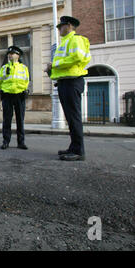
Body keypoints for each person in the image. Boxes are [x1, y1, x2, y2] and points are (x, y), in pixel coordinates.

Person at [44, 16, 91, 161]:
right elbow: (62, 65)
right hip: (65, 82)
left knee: (74, 117)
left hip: (72, 82)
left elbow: (78, 57)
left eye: (61, 26)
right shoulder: (64, 43)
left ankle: (78, 151)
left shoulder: (76, 39)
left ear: (69, 26)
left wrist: (55, 65)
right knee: (71, 118)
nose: (58, 29)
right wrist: (51, 70)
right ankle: (73, 147)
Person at [0, 46, 30, 150]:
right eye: (9, 53)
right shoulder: (4, 67)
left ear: (18, 55)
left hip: (19, 95)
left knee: (20, 120)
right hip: (7, 96)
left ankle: (21, 142)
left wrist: (23, 90)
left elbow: (26, 81)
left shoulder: (24, 68)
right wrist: (3, 91)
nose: (10, 55)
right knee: (7, 120)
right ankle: (6, 141)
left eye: (12, 53)